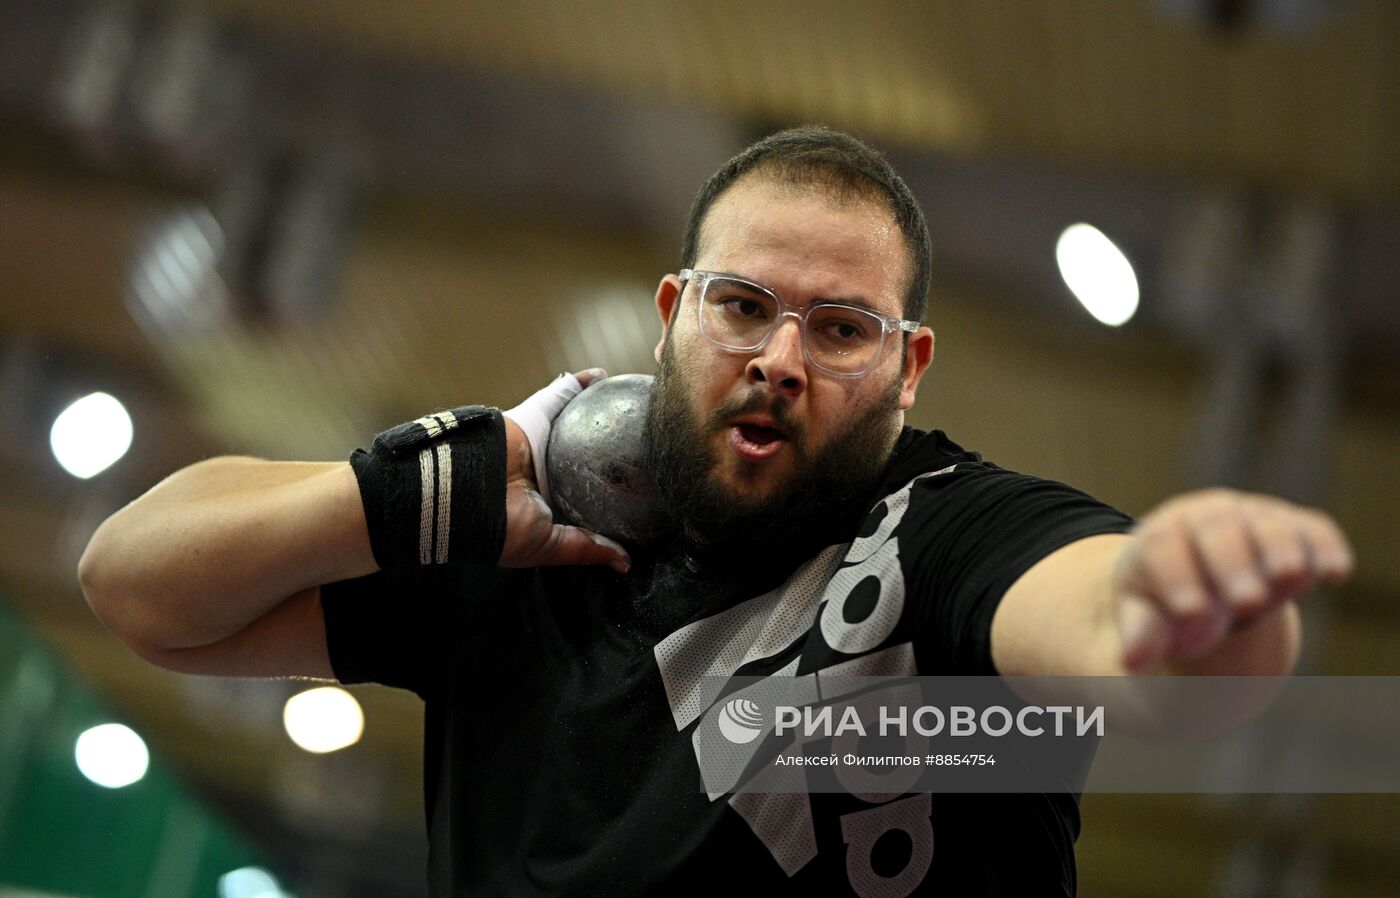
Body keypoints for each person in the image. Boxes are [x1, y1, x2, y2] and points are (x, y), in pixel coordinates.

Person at [79, 127, 1353, 897]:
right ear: (671, 313)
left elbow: (1127, 640)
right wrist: (442, 480)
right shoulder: (521, 543)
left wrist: (1190, 603)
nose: (780, 357)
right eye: (742, 305)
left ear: (906, 369)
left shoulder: (945, 535)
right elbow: (138, 583)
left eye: (839, 327)